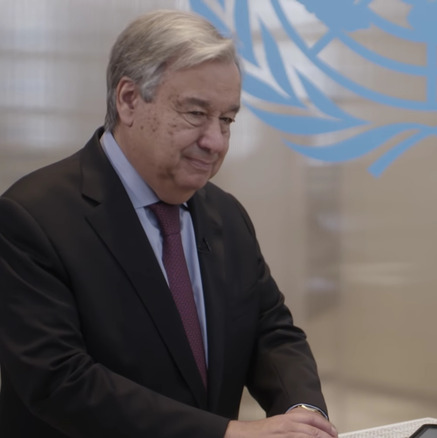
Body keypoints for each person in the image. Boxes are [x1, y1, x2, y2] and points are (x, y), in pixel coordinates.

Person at [0, 10, 338, 438]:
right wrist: (227, 434)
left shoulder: (226, 214)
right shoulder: (31, 217)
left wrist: (303, 411)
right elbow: (59, 380)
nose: (215, 141)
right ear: (128, 100)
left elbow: (271, 333)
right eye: (196, 113)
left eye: (227, 120)